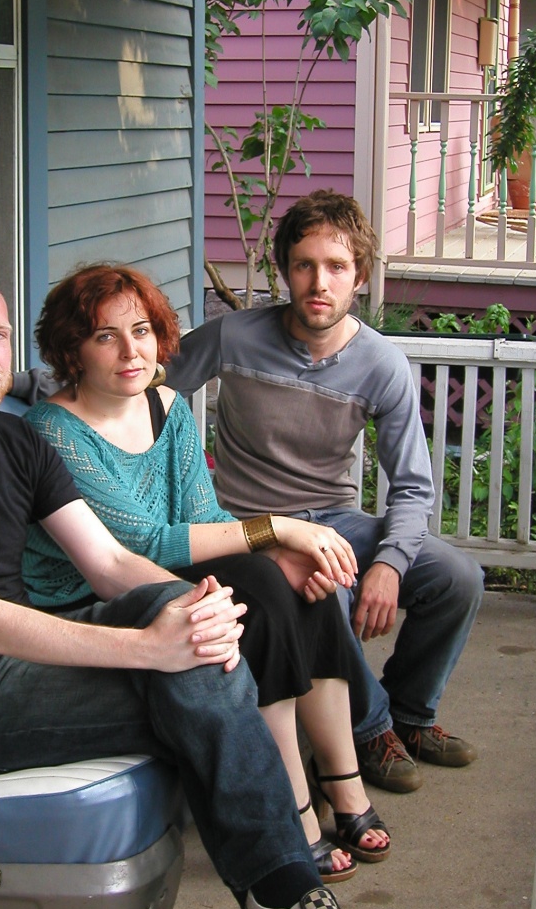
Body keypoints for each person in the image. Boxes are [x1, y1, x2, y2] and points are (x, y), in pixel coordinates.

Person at [0, 264, 399, 909]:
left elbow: (106, 563)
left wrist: (199, 612)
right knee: (183, 657)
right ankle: (286, 899)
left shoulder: (13, 444)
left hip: (25, 666)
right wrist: (149, 647)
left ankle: (283, 896)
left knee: (191, 629)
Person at [20, 264, 391, 881]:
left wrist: (279, 553)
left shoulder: (166, 407)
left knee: (302, 579)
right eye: (105, 337)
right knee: (268, 588)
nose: (131, 350)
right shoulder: (52, 433)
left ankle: (343, 779)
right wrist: (276, 529)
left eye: (140, 330)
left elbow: (202, 518)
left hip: (160, 575)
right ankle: (293, 807)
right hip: (93, 601)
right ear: (72, 351)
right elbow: (139, 541)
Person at [165, 191, 485, 794]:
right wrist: (27, 380)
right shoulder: (233, 337)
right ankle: (369, 731)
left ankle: (412, 717)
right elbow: (143, 378)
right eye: (304, 264)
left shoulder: (381, 364)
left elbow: (413, 487)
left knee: (456, 577)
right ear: (284, 270)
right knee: (325, 589)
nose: (319, 282)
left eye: (337, 267)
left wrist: (390, 564)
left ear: (359, 276)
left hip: (336, 519)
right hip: (253, 526)